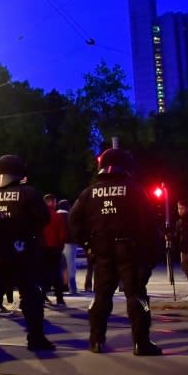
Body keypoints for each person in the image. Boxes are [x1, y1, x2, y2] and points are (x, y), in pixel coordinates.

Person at [68, 148, 162, 356]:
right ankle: (141, 343)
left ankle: (96, 341)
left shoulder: (89, 192)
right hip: (130, 250)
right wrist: (150, 254)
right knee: (136, 296)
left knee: (102, 296)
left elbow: (73, 221)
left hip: (102, 251)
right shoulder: (135, 190)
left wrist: (87, 244)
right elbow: (149, 223)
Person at [0, 154, 55, 351]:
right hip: (24, 254)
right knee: (30, 297)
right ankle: (35, 338)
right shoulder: (29, 193)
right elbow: (44, 219)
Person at [40, 194, 67, 306]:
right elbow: (62, 234)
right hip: (55, 248)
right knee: (56, 273)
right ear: (51, 202)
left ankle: (42, 297)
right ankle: (59, 299)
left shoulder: (39, 216)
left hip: (42, 248)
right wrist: (61, 246)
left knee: (43, 273)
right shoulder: (56, 216)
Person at [58, 199, 79, 295]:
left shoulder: (55, 215)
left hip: (56, 244)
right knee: (70, 265)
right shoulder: (69, 216)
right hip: (69, 243)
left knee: (59, 266)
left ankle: (60, 287)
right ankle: (72, 288)